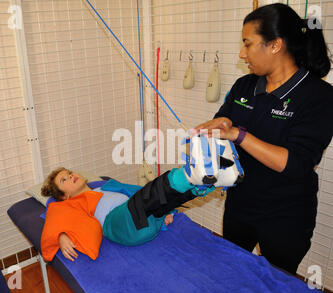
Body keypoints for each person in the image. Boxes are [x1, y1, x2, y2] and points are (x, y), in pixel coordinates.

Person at [191, 3, 333, 275]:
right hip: (240, 206)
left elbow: (295, 164)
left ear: (275, 45)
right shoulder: (245, 85)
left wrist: (239, 135)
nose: (242, 54)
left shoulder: (319, 97)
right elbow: (225, 124)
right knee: (233, 273)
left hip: (286, 215)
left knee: (275, 284)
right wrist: (216, 132)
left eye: (248, 43)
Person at [40, 135, 242, 262]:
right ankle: (192, 173)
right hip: (119, 225)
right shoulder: (71, 204)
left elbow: (139, 190)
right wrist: (61, 236)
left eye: (68, 172)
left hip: (144, 221)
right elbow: (58, 220)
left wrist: (168, 212)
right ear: (64, 196)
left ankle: (209, 182)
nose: (70, 175)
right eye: (64, 179)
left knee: (163, 198)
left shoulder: (106, 186)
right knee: (145, 198)